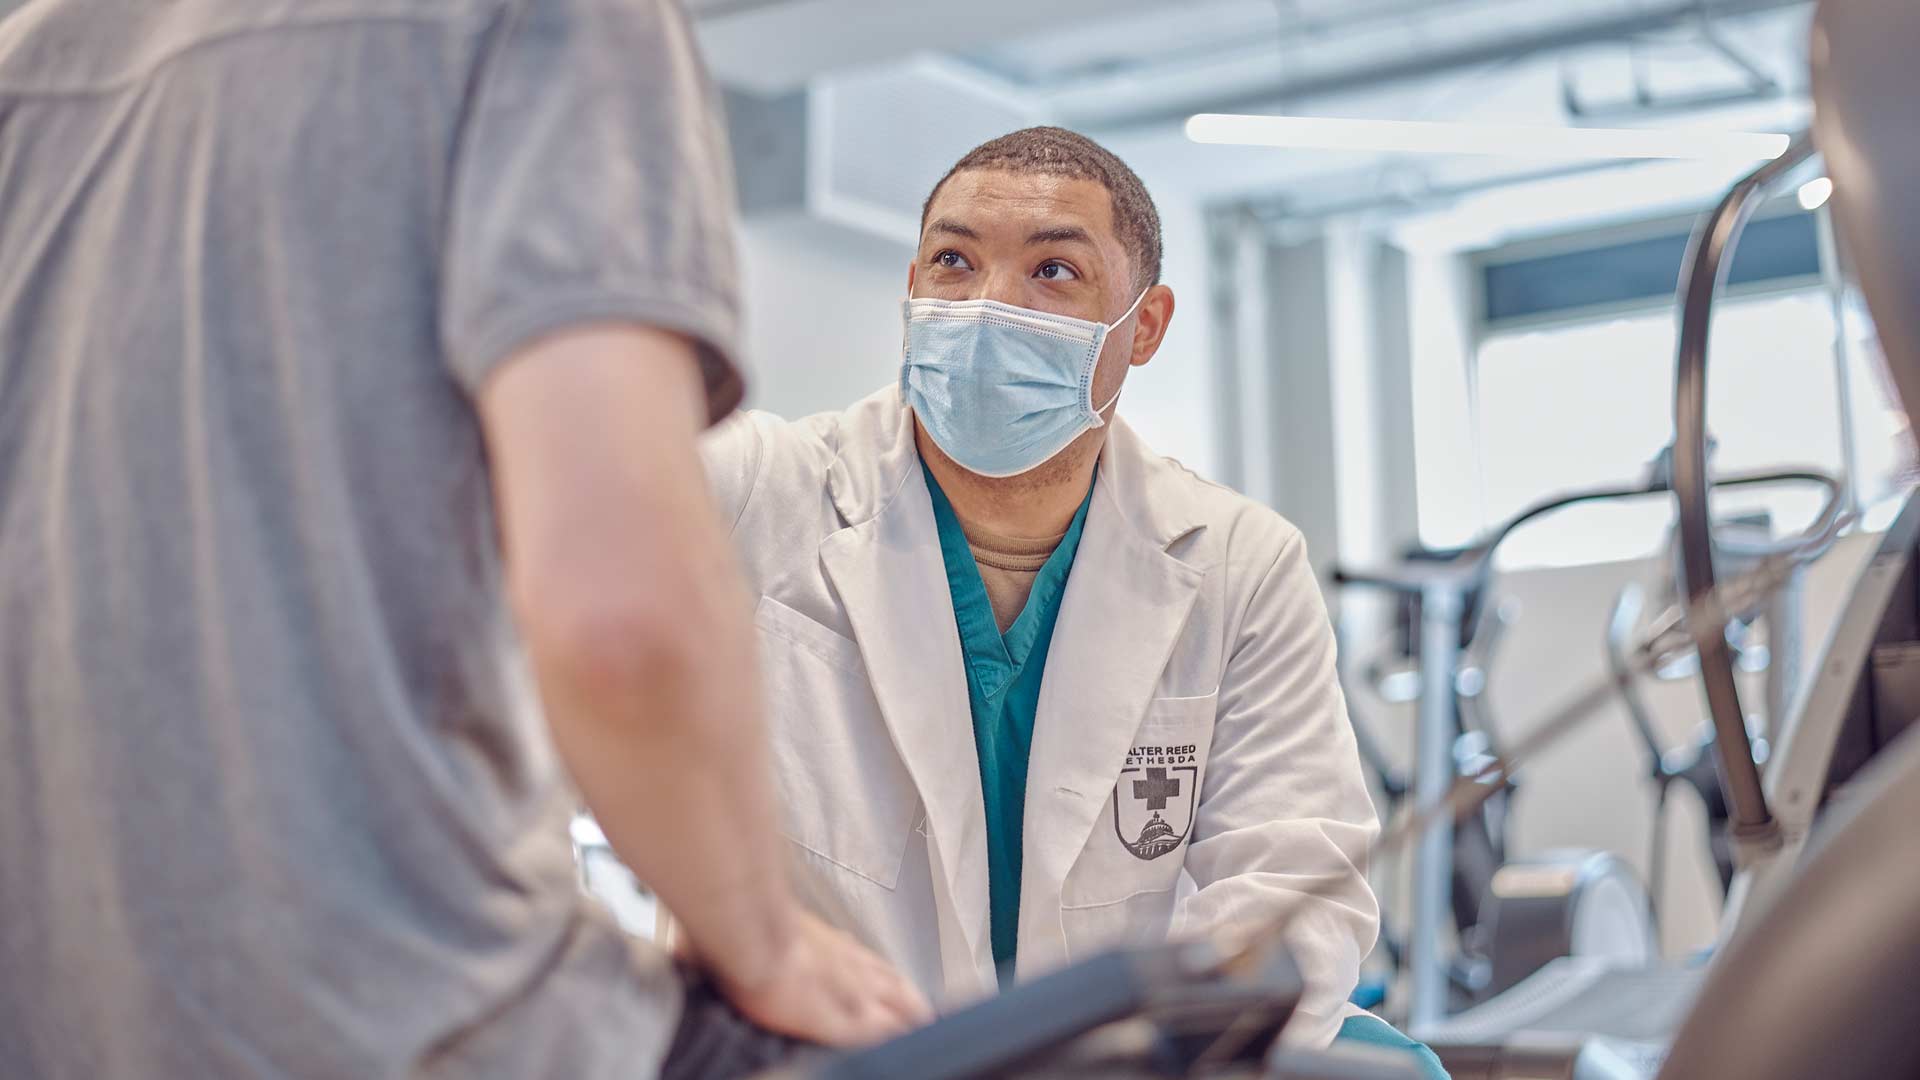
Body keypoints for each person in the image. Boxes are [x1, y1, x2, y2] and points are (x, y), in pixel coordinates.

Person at [0, 0, 922, 1075]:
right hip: (423, 1027)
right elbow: (622, 629)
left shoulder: (29, 59)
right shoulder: (542, 20)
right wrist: (765, 942)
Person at [700, 126, 1436, 1070]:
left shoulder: (1239, 563)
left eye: (1052, 272)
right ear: (912, 290)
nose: (987, 307)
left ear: (1145, 326)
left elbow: (1292, 888)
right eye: (954, 262)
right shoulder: (760, 488)